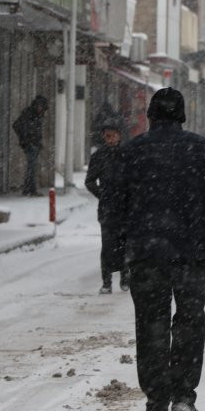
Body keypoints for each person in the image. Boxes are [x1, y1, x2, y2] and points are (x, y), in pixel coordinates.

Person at [106, 88, 205, 411]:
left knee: (151, 324)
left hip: (146, 256)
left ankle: (155, 402)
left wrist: (114, 255)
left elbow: (113, 208)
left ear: (151, 116)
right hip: (191, 256)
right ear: (182, 116)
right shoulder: (202, 150)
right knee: (189, 324)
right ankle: (184, 395)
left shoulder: (132, 152)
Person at [85, 115, 128, 295]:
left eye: (113, 135)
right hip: (107, 209)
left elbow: (136, 179)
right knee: (108, 245)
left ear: (119, 135)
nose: (110, 139)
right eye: (107, 135)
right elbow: (90, 181)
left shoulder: (128, 154)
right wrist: (102, 195)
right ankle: (107, 282)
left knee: (126, 244)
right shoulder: (99, 156)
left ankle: (126, 278)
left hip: (126, 208)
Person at [12, 95, 48, 196]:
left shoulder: (37, 115)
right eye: (39, 106)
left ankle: (28, 188)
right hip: (30, 144)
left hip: (34, 143)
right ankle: (30, 189)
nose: (41, 109)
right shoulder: (29, 114)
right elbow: (16, 125)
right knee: (31, 168)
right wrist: (26, 138)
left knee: (32, 167)